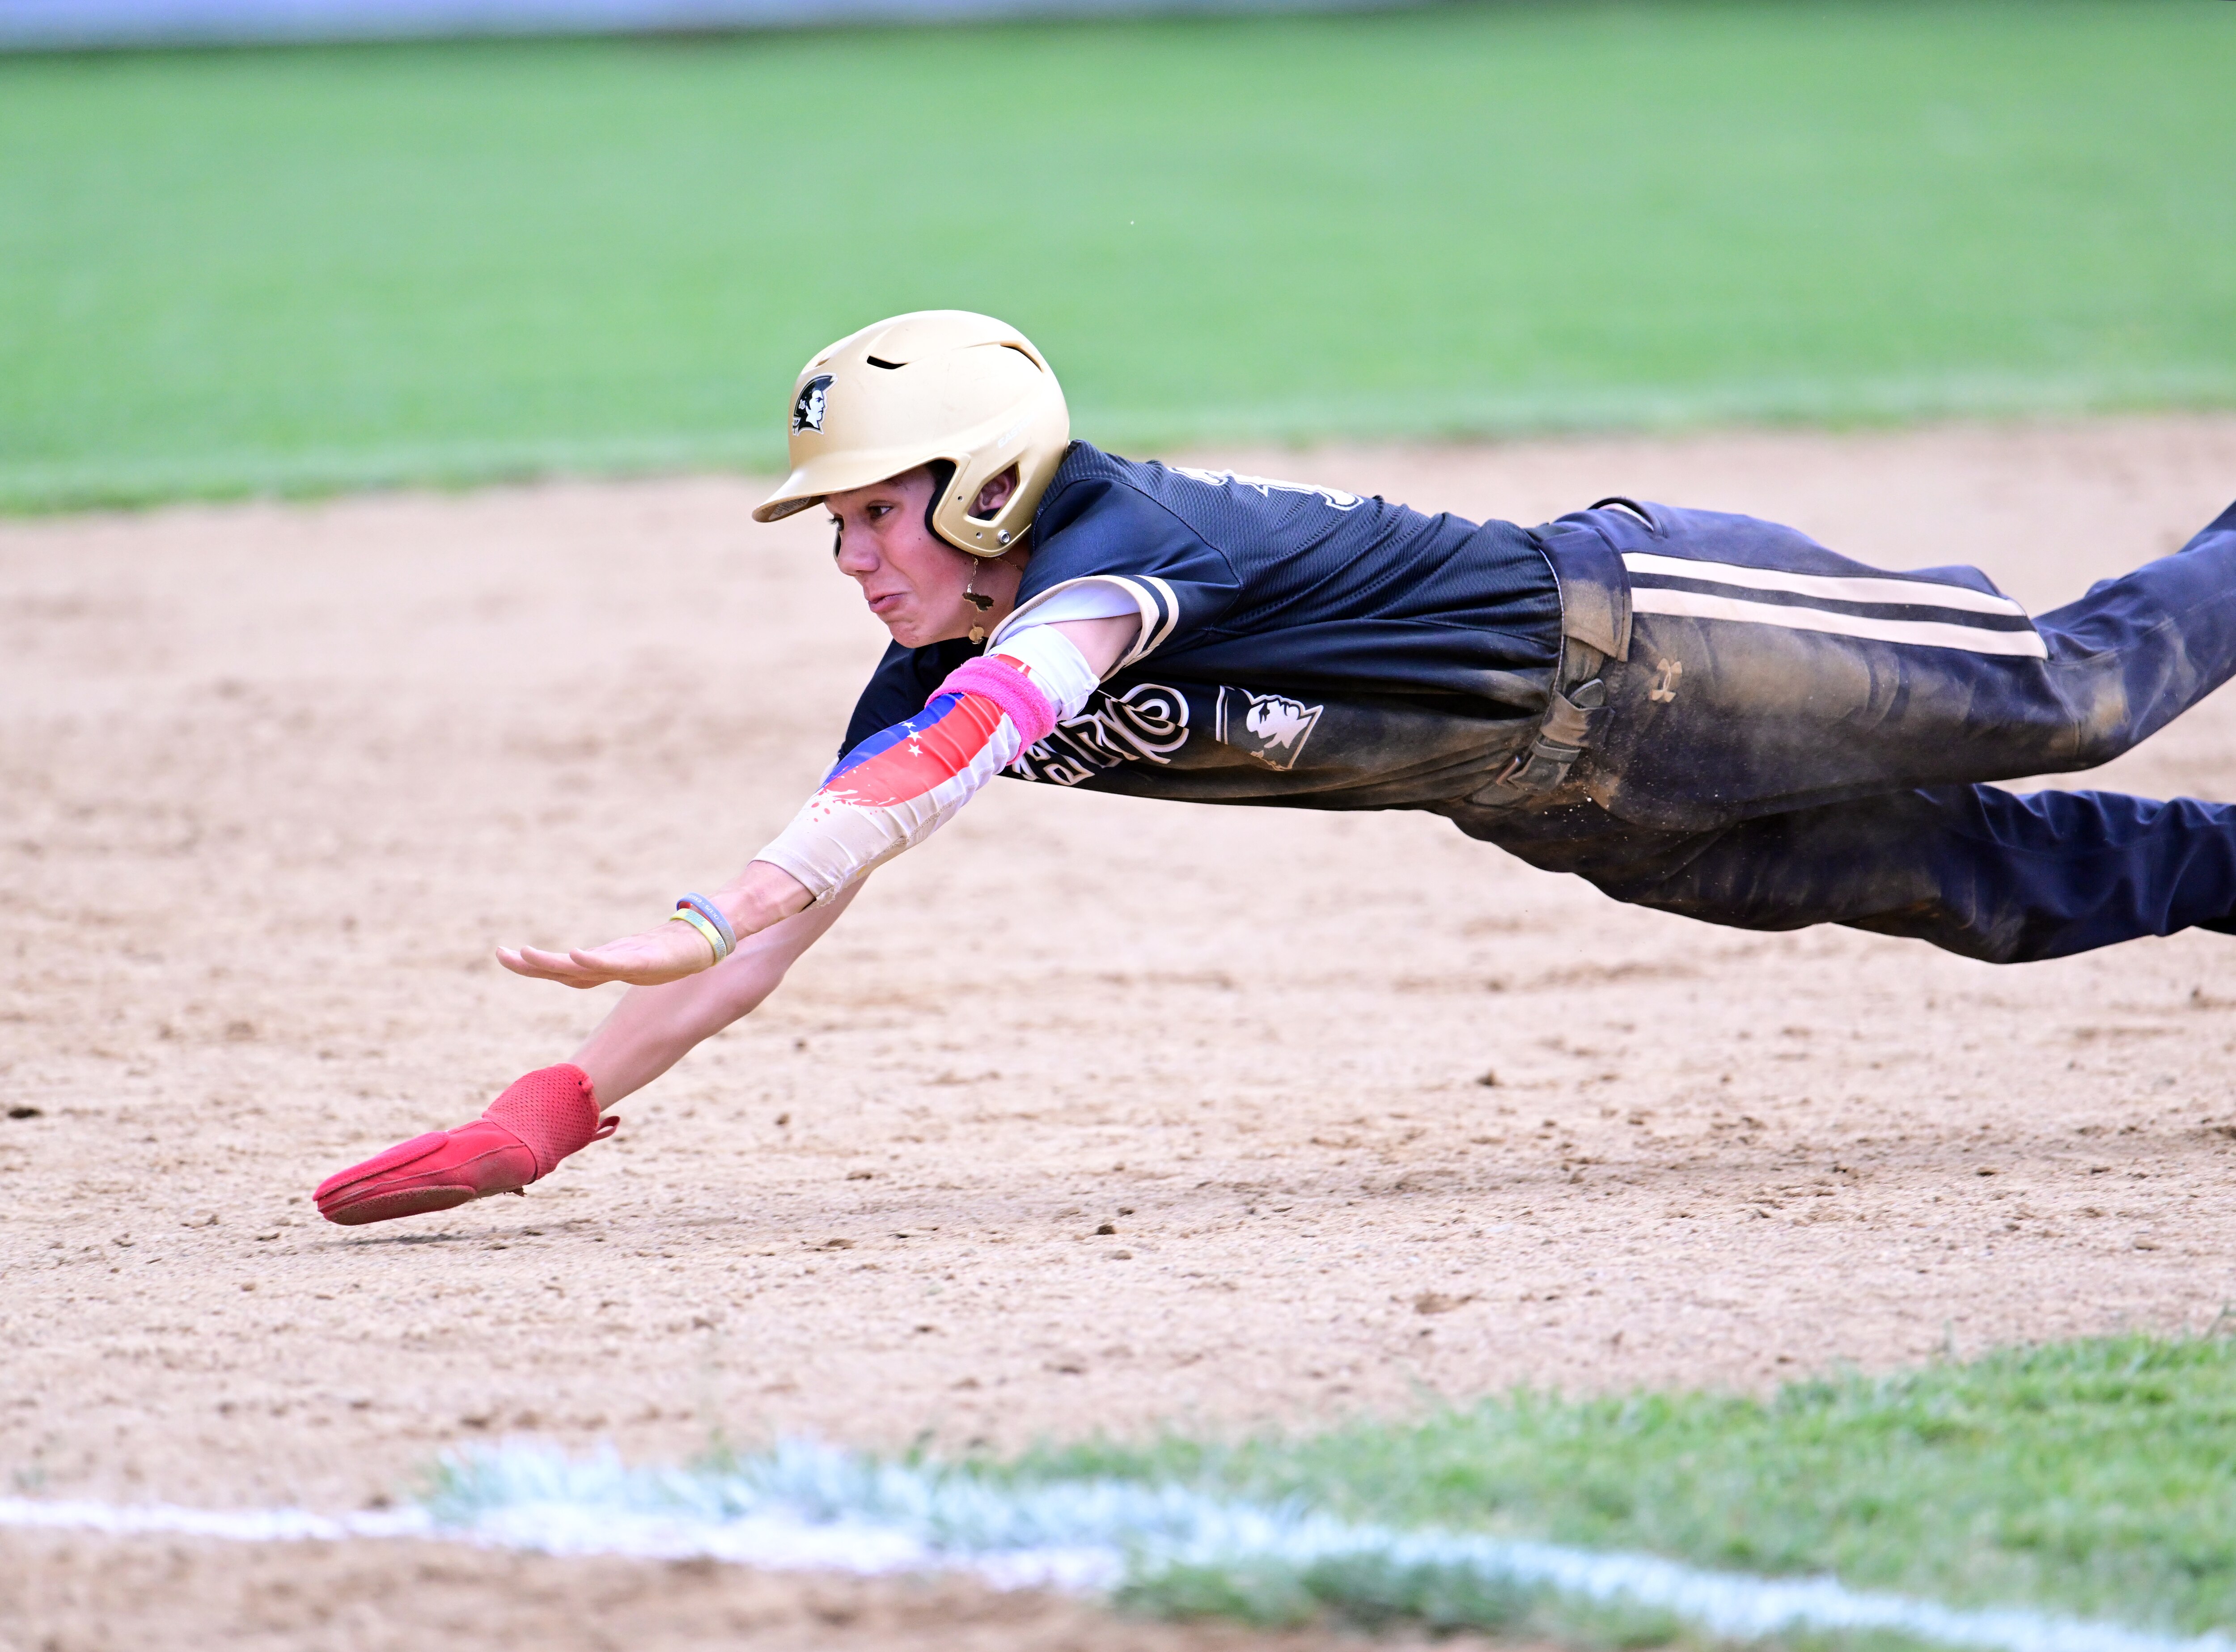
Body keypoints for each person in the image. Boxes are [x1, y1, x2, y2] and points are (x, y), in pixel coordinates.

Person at [314, 309, 2236, 1226]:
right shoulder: (922, 677)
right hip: (1560, 801)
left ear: (985, 479)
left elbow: (1006, 715)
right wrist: (542, 1112)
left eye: (871, 513)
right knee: (1986, 888)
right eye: (827, 527)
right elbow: (772, 938)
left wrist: (727, 881)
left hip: (1654, 630)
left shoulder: (1114, 555)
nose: (847, 557)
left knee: (2067, 692)